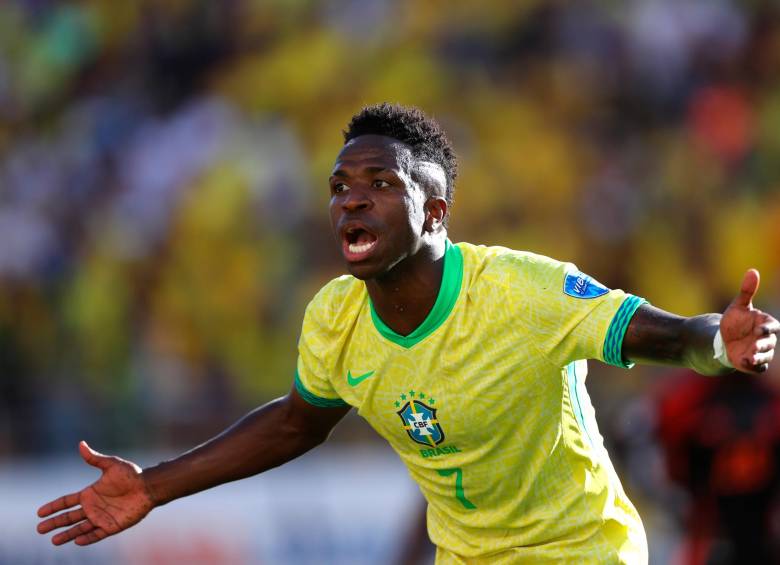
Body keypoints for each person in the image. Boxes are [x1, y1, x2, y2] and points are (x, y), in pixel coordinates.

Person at [37, 104, 779, 563]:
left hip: (582, 553)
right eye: (340, 186)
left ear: (435, 212)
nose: (352, 199)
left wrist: (719, 341)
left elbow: (662, 333)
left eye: (381, 183)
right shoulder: (335, 316)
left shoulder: (522, 291)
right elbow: (298, 421)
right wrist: (154, 487)